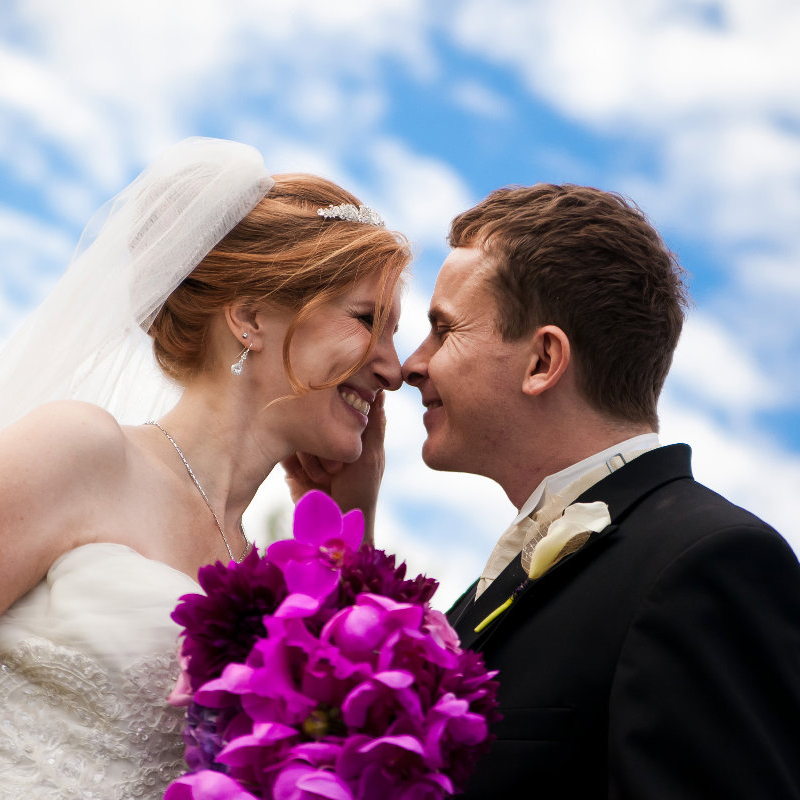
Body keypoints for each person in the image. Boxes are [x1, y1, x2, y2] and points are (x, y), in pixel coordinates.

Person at [0, 137, 410, 798]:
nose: (393, 368)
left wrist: (351, 523)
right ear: (250, 317)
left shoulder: (270, 576)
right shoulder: (81, 450)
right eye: (368, 320)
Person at [401, 184, 800, 799]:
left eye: (443, 330)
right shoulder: (510, 579)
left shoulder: (705, 563)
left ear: (542, 361)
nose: (411, 364)